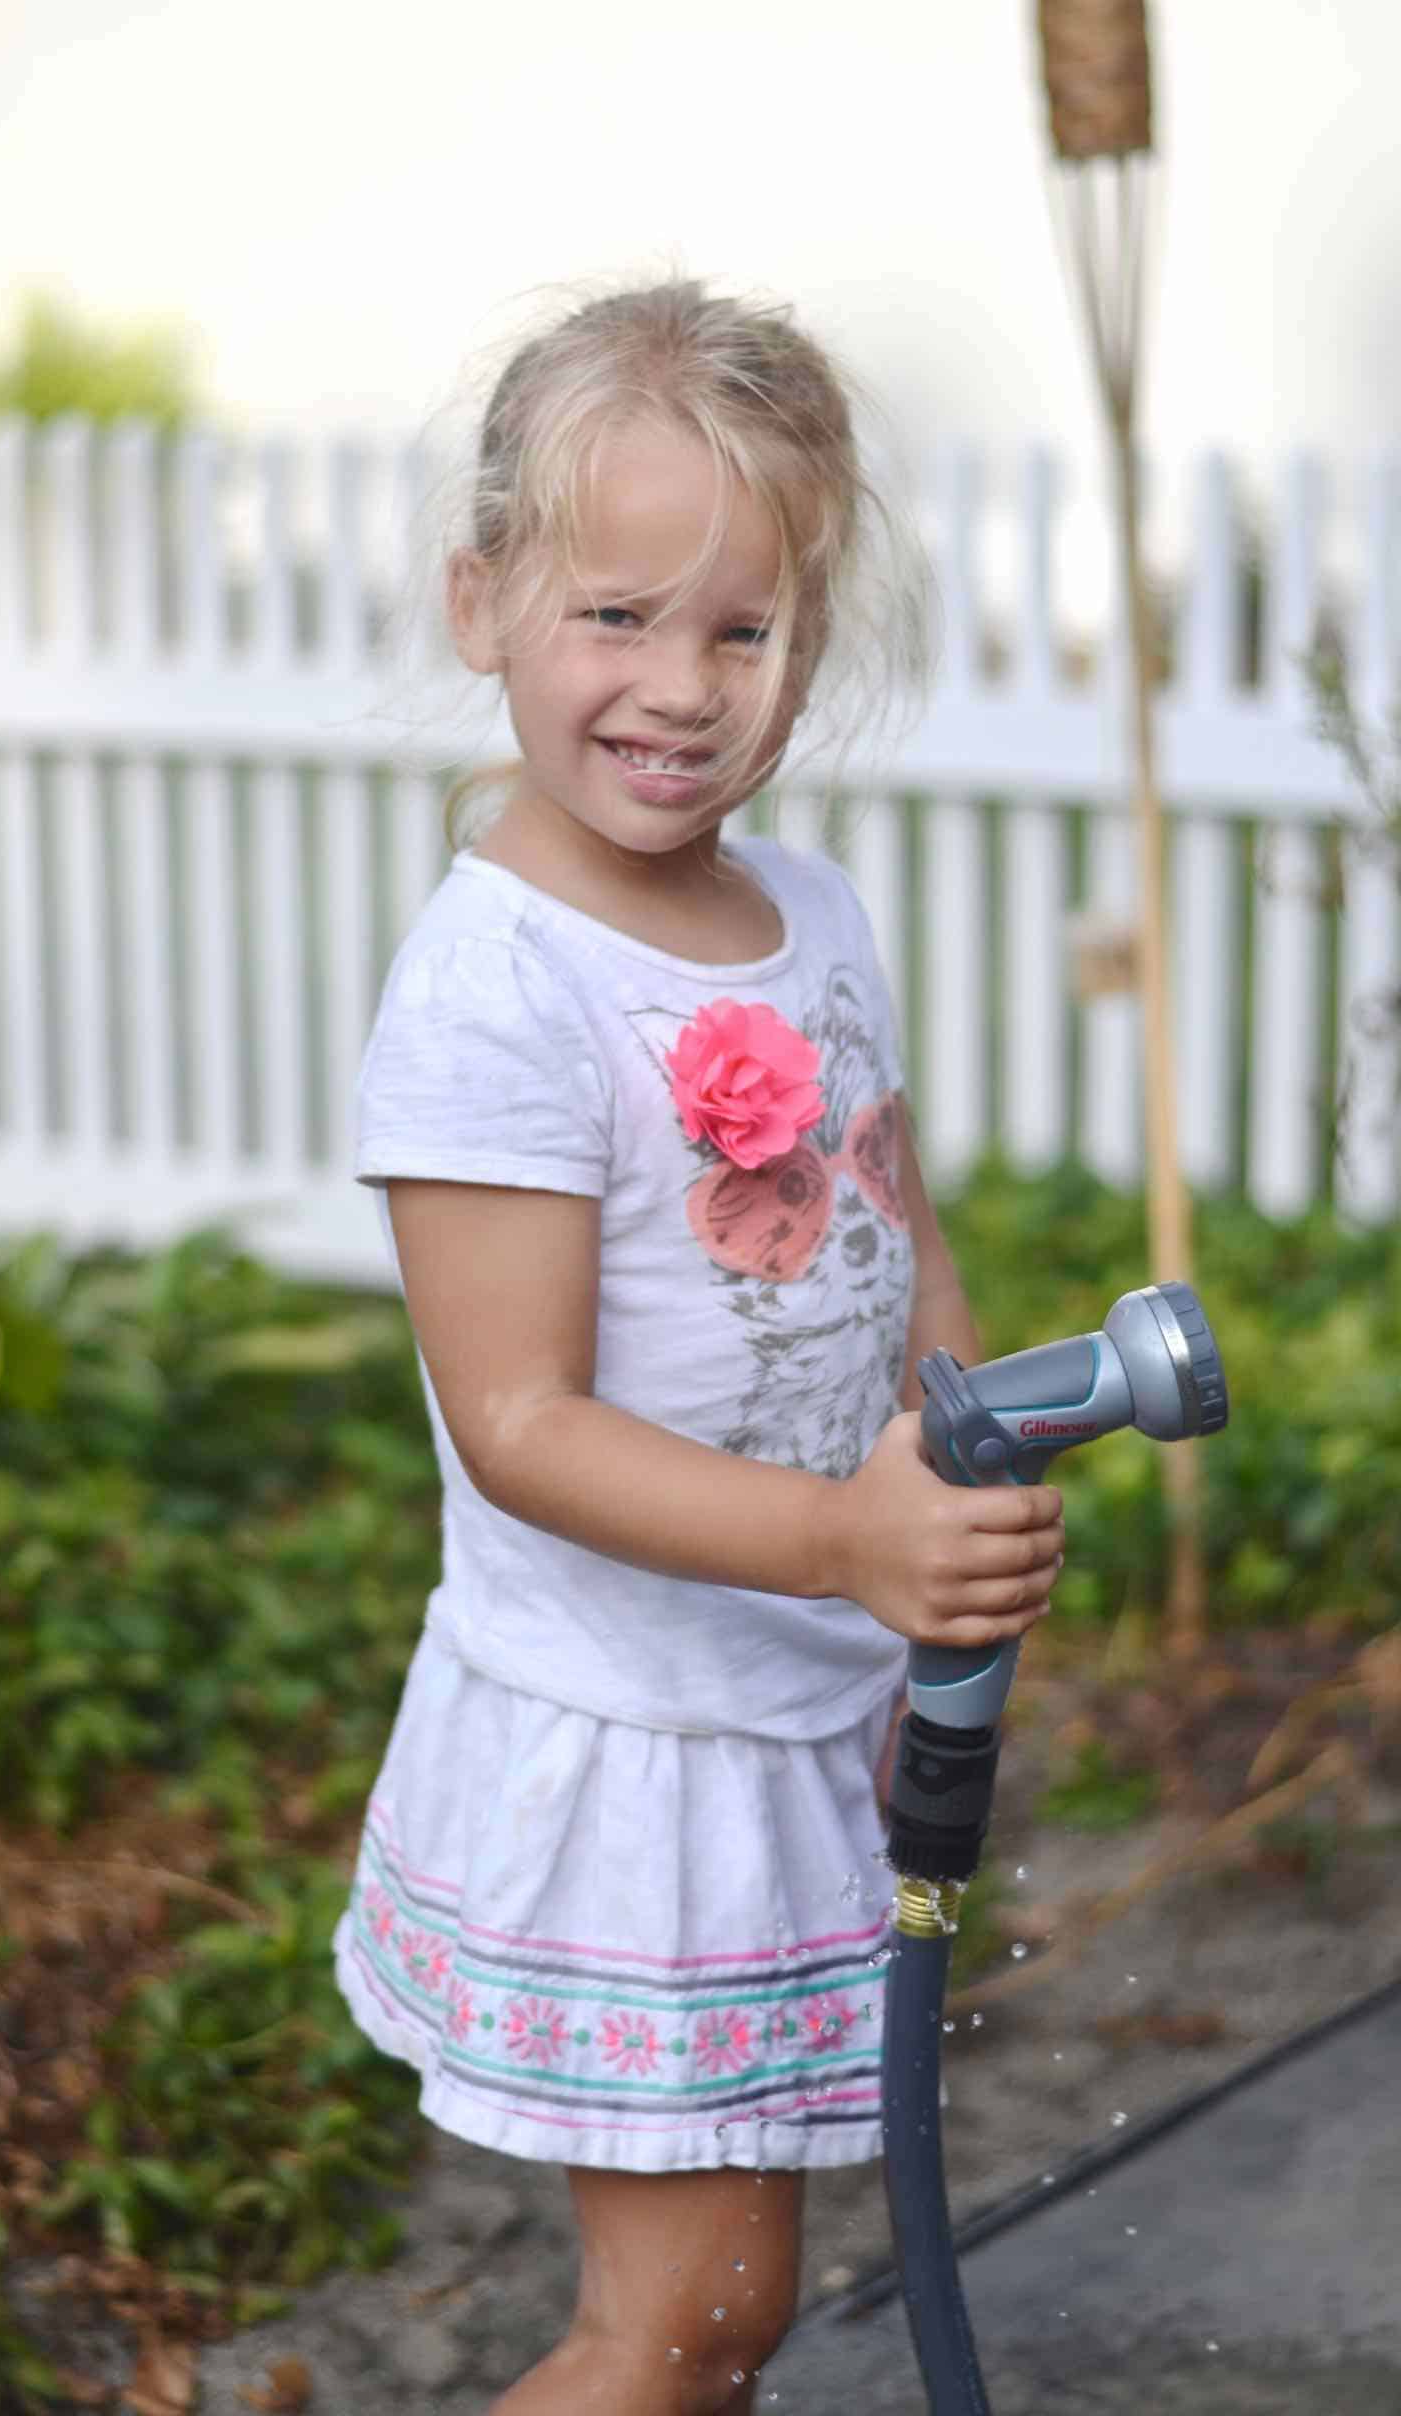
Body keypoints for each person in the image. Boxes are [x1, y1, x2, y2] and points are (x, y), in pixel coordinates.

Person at [333, 277, 1064, 2416]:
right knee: (674, 2326)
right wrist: (844, 1540)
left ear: (807, 645)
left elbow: (876, 1185)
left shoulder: (806, 911)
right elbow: (520, 1421)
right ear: (484, 602)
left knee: (725, 2323)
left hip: (787, 1699)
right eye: (616, 615)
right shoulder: (495, 990)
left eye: (739, 631)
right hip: (631, 1733)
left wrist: (958, 1433)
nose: (678, 686)